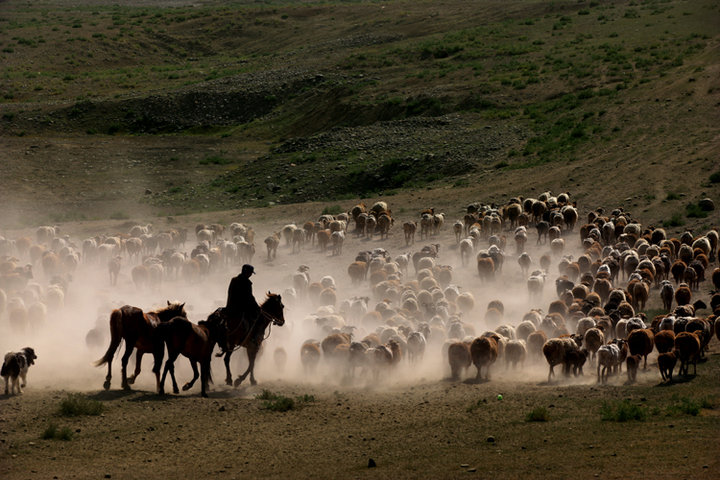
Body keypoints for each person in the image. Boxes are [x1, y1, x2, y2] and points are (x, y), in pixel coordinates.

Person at [225, 264, 260, 328]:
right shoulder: (247, 283)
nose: (251, 275)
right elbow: (250, 298)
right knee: (255, 319)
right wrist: (257, 308)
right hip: (241, 309)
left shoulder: (234, 280)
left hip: (230, 306)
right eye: (250, 273)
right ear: (247, 273)